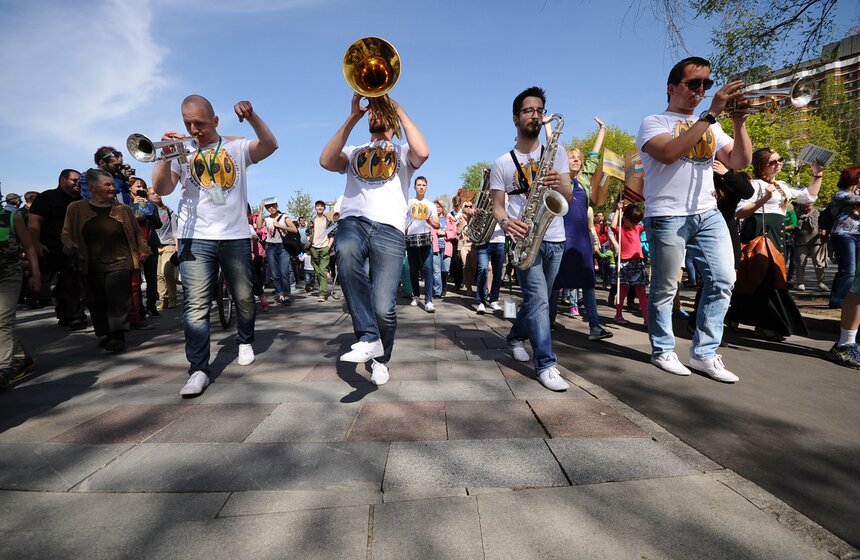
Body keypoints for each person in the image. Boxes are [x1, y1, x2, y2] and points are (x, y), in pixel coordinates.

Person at [152, 95, 278, 397]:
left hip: (234, 235)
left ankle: (245, 339)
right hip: (195, 236)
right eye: (188, 123)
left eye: (201, 123)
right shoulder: (181, 152)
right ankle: (197, 369)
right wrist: (164, 154)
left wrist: (252, 116)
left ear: (216, 121)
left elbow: (270, 145)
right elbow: (161, 188)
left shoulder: (235, 148)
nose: (194, 129)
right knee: (195, 306)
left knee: (244, 296)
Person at [636, 56, 752, 383]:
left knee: (723, 280)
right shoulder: (654, 121)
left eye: (706, 85)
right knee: (665, 286)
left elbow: (739, 160)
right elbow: (670, 153)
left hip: (707, 212)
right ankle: (662, 349)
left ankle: (704, 353)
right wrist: (710, 113)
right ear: (672, 88)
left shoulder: (711, 124)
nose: (700, 91)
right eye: (693, 84)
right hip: (666, 214)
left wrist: (740, 123)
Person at [319, 92, 428, 385]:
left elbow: (424, 152)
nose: (374, 112)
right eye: (372, 110)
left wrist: (398, 109)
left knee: (384, 307)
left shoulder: (403, 152)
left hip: (390, 228)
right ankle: (368, 336)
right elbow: (326, 160)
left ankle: (380, 357)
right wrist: (353, 115)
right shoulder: (355, 150)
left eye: (381, 110)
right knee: (345, 249)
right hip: (354, 221)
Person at [490, 86, 572, 392]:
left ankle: (514, 336)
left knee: (541, 300)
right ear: (515, 118)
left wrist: (557, 183)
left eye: (539, 110)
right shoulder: (502, 163)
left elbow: (567, 196)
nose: (535, 115)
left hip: (555, 235)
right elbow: (498, 205)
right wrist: (506, 223)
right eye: (528, 110)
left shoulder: (557, 152)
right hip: (524, 238)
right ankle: (546, 364)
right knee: (538, 301)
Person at [730, 148, 821, 340]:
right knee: (757, 279)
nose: (778, 163)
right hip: (759, 235)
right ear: (761, 164)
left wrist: (817, 173)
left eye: (780, 159)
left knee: (771, 279)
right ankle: (762, 323)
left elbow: (808, 196)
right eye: (773, 161)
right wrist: (763, 199)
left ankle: (741, 317)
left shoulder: (782, 185)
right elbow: (740, 212)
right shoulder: (754, 185)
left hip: (776, 237)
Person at [61, 169, 150, 353]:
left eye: (113, 185)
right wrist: (69, 244)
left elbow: (136, 233)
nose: (112, 188)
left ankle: (117, 336)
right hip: (91, 263)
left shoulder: (123, 210)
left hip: (122, 261)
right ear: (92, 187)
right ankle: (106, 333)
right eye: (107, 185)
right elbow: (66, 232)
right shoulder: (76, 208)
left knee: (118, 298)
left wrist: (143, 249)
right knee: (97, 301)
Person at [551, 117, 612, 341]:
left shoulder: (585, 179)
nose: (576, 160)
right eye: (571, 157)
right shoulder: (558, 180)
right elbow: (551, 145)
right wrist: (548, 125)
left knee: (588, 281)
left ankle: (595, 326)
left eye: (578, 158)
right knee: (556, 282)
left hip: (582, 239)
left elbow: (594, 156)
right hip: (559, 237)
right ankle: (548, 321)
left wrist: (603, 130)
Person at [28, 169, 88, 330]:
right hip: (53, 247)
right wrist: (35, 244)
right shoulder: (47, 197)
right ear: (63, 179)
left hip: (77, 247)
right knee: (66, 281)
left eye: (80, 181)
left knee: (72, 280)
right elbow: (34, 223)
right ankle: (72, 315)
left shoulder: (82, 199)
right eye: (74, 180)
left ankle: (71, 315)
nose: (77, 184)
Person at [0, 199, 41, 387]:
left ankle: (3, 369)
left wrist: (35, 274)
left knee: (2, 322)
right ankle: (21, 357)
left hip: (8, 276)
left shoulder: (11, 217)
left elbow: (29, 246)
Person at [610, 202, 649, 325]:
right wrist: (618, 210)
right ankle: (618, 314)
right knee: (622, 291)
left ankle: (647, 319)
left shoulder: (638, 228)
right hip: (625, 263)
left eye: (637, 222)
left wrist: (648, 206)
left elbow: (647, 222)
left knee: (642, 292)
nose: (635, 224)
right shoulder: (620, 230)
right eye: (632, 221)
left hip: (637, 262)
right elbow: (612, 226)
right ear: (625, 219)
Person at [405, 176, 439, 312]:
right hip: (411, 239)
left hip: (426, 240)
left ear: (426, 187)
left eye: (423, 185)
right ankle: (416, 295)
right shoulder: (408, 203)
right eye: (418, 185)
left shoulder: (430, 205)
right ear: (414, 187)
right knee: (413, 270)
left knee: (428, 269)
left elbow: (436, 224)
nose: (421, 187)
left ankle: (429, 301)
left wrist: (431, 222)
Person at [828, 166, 860, 308]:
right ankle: (839, 300)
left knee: (851, 270)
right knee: (849, 270)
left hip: (857, 233)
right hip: (844, 234)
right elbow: (855, 199)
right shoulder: (841, 195)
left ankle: (839, 297)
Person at [256, 198, 297, 305]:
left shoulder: (284, 217)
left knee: (284, 271)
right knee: (274, 273)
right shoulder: (267, 219)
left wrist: (281, 226)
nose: (271, 208)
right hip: (270, 247)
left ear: (277, 206)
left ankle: (286, 293)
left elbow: (294, 229)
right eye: (268, 207)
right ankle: (280, 294)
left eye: (273, 205)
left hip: (283, 247)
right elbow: (259, 226)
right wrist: (260, 210)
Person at [149, 187, 179, 309]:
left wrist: (176, 245)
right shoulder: (147, 211)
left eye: (158, 193)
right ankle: (163, 299)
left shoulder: (168, 211)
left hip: (168, 245)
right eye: (152, 193)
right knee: (158, 275)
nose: (156, 195)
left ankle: (172, 297)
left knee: (166, 272)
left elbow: (175, 230)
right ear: (148, 196)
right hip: (154, 245)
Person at [792, 201, 828, 291]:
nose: (805, 209)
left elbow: (825, 222)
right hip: (800, 241)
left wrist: (824, 229)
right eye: (803, 207)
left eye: (808, 206)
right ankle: (800, 283)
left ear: (812, 204)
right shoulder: (795, 213)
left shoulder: (819, 212)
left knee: (819, 263)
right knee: (800, 262)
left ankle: (821, 282)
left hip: (817, 241)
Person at [306, 200, 334, 301]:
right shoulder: (311, 220)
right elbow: (307, 232)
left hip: (324, 248)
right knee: (317, 271)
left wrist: (328, 246)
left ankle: (322, 293)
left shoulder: (328, 221)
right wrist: (309, 243)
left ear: (324, 208)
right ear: (315, 207)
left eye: (322, 206)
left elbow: (332, 235)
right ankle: (323, 290)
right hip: (314, 248)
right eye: (318, 206)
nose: (320, 207)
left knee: (323, 270)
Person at [432, 198, 456, 299]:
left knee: (445, 270)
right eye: (436, 206)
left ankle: (444, 287)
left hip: (447, 248)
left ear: (443, 208)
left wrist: (445, 233)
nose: (438, 208)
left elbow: (454, 233)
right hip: (435, 247)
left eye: (439, 206)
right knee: (436, 270)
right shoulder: (431, 219)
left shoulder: (449, 219)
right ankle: (437, 291)